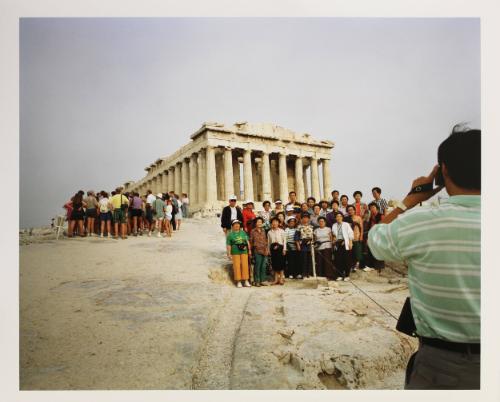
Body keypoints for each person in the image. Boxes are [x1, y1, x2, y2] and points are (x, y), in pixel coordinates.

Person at [367, 126, 480, 390]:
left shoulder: (419, 223)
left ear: (443, 171)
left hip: (442, 365)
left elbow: (376, 239)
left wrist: (410, 199)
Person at [226, 219, 252, 288]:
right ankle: (238, 281)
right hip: (235, 251)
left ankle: (246, 280)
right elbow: (228, 245)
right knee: (236, 266)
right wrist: (228, 253)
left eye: (238, 224)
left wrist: (249, 250)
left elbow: (247, 241)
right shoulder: (230, 235)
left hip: (244, 250)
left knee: (245, 265)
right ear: (232, 226)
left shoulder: (243, 232)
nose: (237, 225)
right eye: (235, 224)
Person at [331, 212, 354, 281]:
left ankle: (347, 275)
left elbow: (350, 234)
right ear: (335, 218)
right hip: (337, 243)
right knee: (338, 260)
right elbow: (333, 234)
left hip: (345, 242)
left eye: (340, 216)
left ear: (342, 217)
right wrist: (334, 239)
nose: (338, 218)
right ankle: (340, 275)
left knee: (346, 259)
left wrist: (350, 243)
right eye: (337, 216)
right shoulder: (334, 225)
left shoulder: (346, 224)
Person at [365, 202, 385, 272]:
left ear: (376, 208)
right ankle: (371, 266)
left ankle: (379, 267)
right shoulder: (371, 217)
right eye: (370, 208)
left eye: (373, 207)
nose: (372, 209)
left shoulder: (381, 215)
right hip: (371, 235)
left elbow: (383, 225)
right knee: (370, 250)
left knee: (378, 250)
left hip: (379, 235)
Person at [249, 217, 269, 287]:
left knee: (263, 266)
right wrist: (250, 251)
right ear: (255, 223)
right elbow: (251, 242)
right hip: (257, 250)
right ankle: (256, 281)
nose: (259, 223)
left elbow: (266, 241)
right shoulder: (252, 231)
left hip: (264, 250)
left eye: (260, 222)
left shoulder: (263, 230)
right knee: (257, 266)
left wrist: (267, 249)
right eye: (258, 222)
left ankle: (262, 280)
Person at [295, 212, 314, 278]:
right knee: (303, 260)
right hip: (302, 245)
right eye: (304, 218)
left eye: (306, 218)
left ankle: (309, 273)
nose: (305, 219)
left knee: (309, 259)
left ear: (309, 219)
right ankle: (303, 273)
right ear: (301, 219)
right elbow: (296, 237)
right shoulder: (299, 227)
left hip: (310, 245)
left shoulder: (311, 227)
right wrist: (298, 245)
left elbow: (314, 236)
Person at [268, 217, 287, 285]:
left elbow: (284, 241)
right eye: (273, 222)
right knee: (275, 264)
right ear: (271, 223)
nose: (275, 223)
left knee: (281, 264)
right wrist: (269, 250)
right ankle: (276, 280)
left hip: (280, 248)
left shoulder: (282, 231)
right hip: (273, 249)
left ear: (278, 223)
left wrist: (284, 249)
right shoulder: (269, 232)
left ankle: (281, 279)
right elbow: (269, 242)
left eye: (276, 222)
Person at [346, 204, 364, 271]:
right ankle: (352, 266)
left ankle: (357, 265)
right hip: (349, 239)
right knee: (351, 253)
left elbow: (361, 228)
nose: (350, 211)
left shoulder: (358, 218)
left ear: (354, 210)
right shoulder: (346, 219)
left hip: (357, 236)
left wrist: (361, 236)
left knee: (357, 252)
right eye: (349, 210)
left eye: (351, 210)